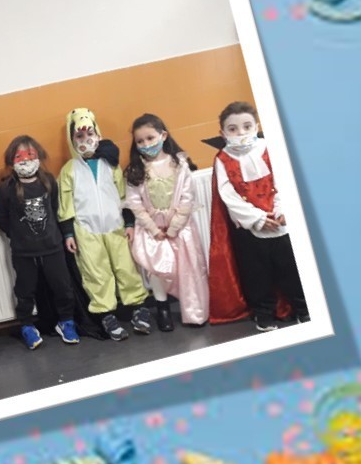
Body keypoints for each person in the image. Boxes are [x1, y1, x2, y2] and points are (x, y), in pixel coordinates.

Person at [208, 101, 310, 330]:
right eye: (233, 129)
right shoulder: (222, 159)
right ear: (222, 133)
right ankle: (263, 312)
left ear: (256, 126)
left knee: (291, 269)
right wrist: (257, 219)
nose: (241, 133)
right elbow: (228, 195)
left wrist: (282, 210)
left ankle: (303, 307)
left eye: (247, 126)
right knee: (256, 274)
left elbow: (283, 181)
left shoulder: (269, 148)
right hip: (249, 229)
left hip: (280, 223)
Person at [58, 108, 152, 341]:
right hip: (86, 231)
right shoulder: (69, 171)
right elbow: (65, 205)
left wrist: (129, 223)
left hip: (116, 226)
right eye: (79, 136)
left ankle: (138, 307)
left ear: (98, 134)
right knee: (96, 273)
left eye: (90, 134)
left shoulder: (111, 164)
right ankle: (106, 314)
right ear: (72, 140)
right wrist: (68, 233)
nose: (86, 140)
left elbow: (124, 195)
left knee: (126, 267)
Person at [0, 136, 81, 349]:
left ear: (39, 156)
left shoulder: (48, 181)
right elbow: (3, 220)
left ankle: (66, 322)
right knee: (25, 290)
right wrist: (19, 236)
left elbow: (55, 209)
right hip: (23, 252)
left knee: (62, 287)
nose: (25, 160)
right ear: (11, 160)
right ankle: (27, 326)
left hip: (52, 247)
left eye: (30, 154)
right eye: (19, 156)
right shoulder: (6, 189)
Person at [124, 114, 209, 330]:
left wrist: (173, 228)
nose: (146, 144)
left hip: (180, 229)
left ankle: (194, 310)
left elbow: (187, 198)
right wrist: (154, 229)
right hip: (152, 230)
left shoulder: (179, 165)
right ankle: (162, 309)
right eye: (140, 141)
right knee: (157, 269)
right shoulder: (136, 171)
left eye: (150, 138)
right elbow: (135, 203)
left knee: (188, 268)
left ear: (163, 136)